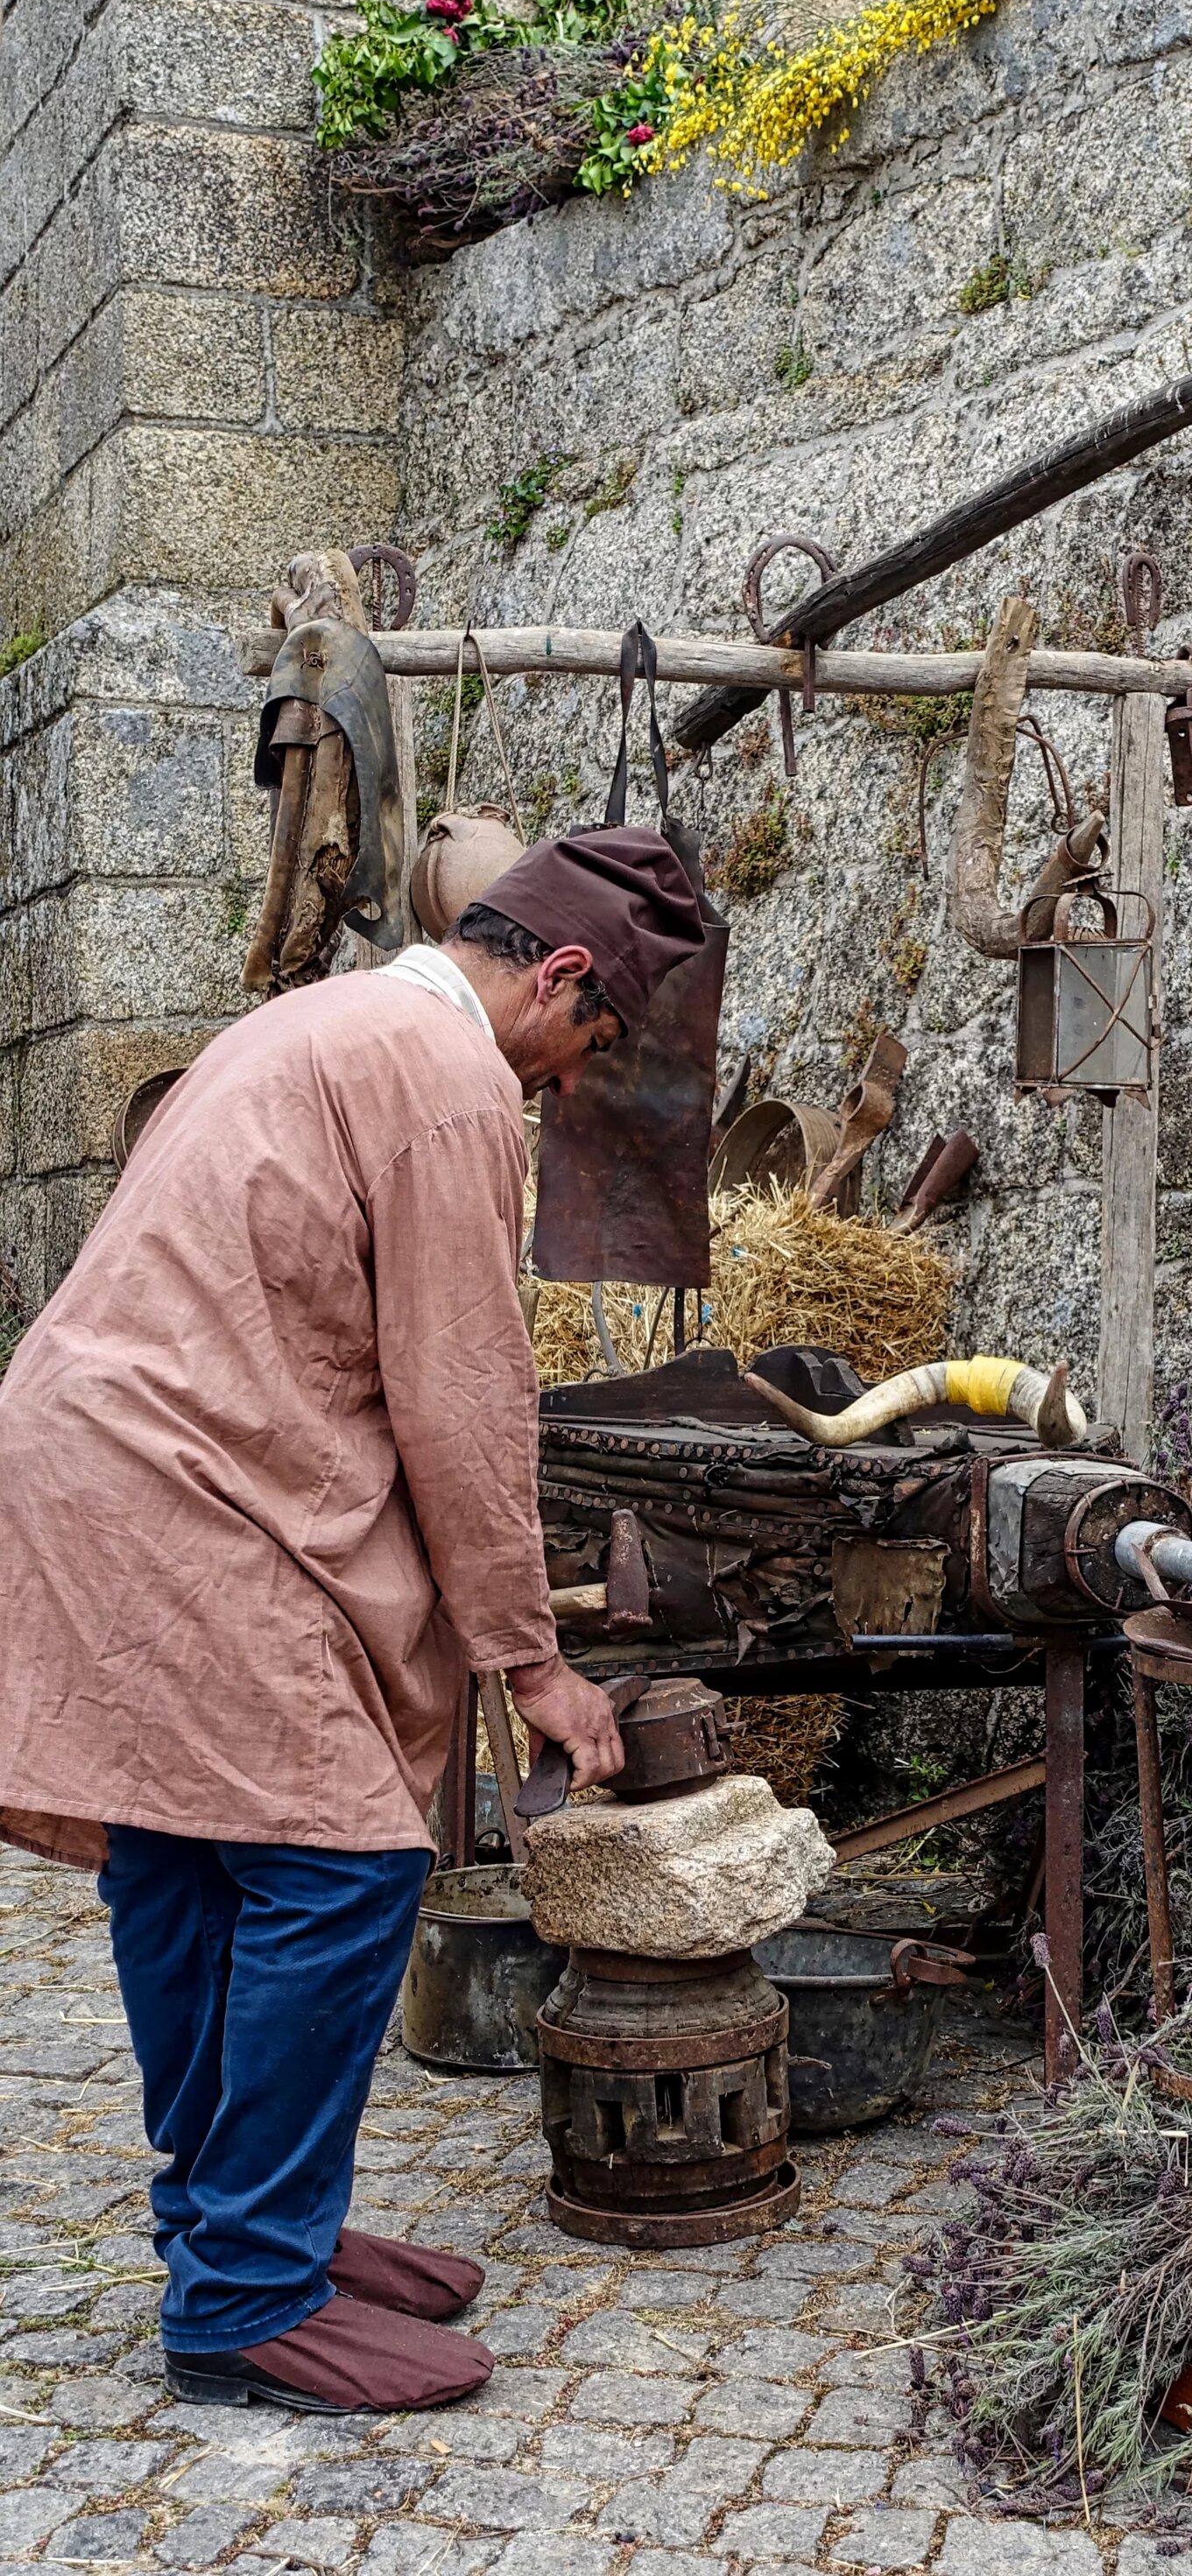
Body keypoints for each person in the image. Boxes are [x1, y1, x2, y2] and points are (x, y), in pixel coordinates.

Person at [0, 827, 705, 2414]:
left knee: (186, 1843)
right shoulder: (449, 1084)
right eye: (588, 1046)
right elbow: (462, 1397)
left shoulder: (320, 1020)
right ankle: (247, 2293)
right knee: (341, 1861)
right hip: (176, 1481)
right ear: (564, 975)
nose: (573, 1084)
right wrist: (531, 1658)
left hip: (89, 1449)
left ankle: (233, 2229)